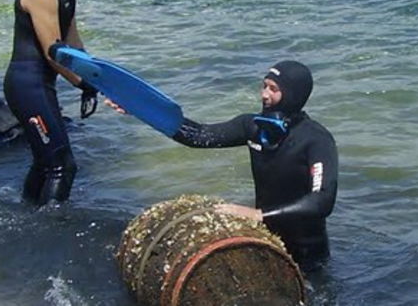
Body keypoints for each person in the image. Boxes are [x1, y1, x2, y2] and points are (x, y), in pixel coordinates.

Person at [107, 60, 338, 271]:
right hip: (268, 243)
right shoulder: (253, 127)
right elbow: (197, 136)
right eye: (264, 86)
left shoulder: (316, 139)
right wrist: (141, 109)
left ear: (293, 95)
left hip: (309, 254)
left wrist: (258, 215)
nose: (265, 95)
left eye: (274, 89)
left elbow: (322, 201)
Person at [3, 0, 99, 206]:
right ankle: (51, 231)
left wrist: (100, 77)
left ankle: (26, 218)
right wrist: (83, 83)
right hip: (27, 86)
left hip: (40, 85)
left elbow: (73, 41)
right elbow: (54, 52)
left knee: (46, 163)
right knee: (62, 165)